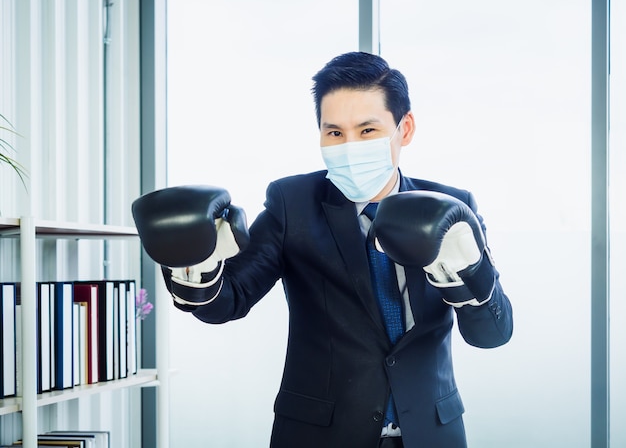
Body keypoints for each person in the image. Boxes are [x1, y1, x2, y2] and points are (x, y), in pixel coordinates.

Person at [132, 51, 513, 448]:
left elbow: (493, 334)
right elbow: (227, 302)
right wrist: (194, 261)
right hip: (320, 435)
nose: (349, 146)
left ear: (406, 128)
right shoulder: (292, 202)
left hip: (432, 435)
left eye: (367, 131)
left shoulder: (453, 205)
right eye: (334, 133)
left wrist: (468, 272)